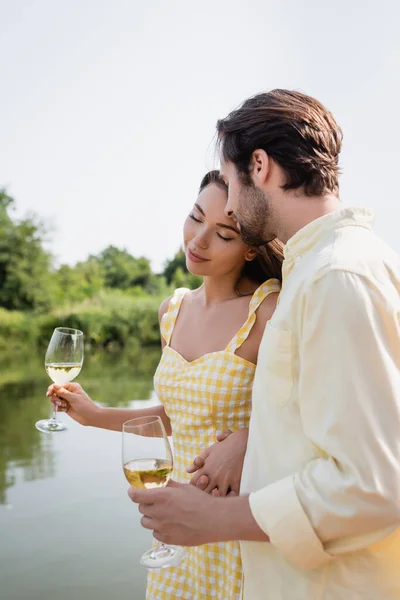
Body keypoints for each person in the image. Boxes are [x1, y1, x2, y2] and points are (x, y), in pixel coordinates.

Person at [129, 89, 400, 600]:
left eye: (230, 184)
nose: (228, 204)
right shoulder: (313, 272)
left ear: (260, 165)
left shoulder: (336, 277)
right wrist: (251, 438)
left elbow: (374, 485)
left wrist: (215, 517)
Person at [47, 169, 283, 600]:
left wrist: (248, 438)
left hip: (240, 516)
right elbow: (177, 417)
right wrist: (94, 414)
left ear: (251, 248)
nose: (198, 240)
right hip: (178, 520)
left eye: (224, 234)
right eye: (196, 217)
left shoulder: (268, 310)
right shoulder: (171, 310)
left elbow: (309, 411)